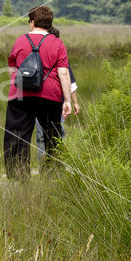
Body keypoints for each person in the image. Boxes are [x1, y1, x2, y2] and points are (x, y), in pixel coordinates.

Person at [3, 5, 72, 179]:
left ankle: (18, 176)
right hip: (50, 94)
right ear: (49, 24)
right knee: (52, 135)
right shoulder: (57, 43)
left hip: (21, 94)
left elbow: (13, 69)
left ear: (32, 22)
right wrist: (68, 100)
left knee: (17, 135)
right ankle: (52, 172)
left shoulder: (20, 41)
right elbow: (64, 72)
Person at [35, 26, 80, 165]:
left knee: (54, 132)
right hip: (47, 100)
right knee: (45, 132)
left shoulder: (62, 59)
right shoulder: (38, 58)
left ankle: (56, 162)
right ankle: (46, 162)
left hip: (56, 102)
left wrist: (74, 102)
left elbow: (70, 81)